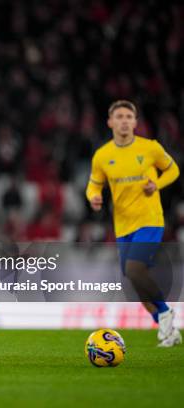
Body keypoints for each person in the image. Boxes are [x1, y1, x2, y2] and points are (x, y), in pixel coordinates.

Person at [86, 100, 181, 347]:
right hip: (123, 224)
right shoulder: (103, 155)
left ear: (136, 122)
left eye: (129, 116)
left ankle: (164, 312)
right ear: (110, 122)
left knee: (136, 268)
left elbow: (173, 170)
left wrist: (156, 185)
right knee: (131, 275)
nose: (124, 120)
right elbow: (94, 184)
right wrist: (93, 197)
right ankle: (166, 326)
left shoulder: (150, 148)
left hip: (150, 219)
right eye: (119, 116)